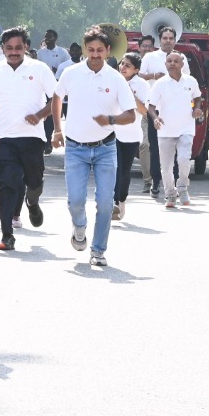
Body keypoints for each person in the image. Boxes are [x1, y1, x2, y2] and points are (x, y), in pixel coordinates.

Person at [53, 29, 136, 268]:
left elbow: (130, 115)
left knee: (106, 203)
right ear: (84, 49)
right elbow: (57, 98)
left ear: (108, 51)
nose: (95, 55)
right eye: (91, 50)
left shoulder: (116, 79)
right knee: (75, 201)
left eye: (100, 50)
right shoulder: (71, 73)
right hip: (75, 147)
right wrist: (57, 129)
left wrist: (110, 120)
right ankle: (79, 227)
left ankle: (98, 250)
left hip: (105, 148)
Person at [0, 27, 57, 251]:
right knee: (7, 185)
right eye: (9, 48)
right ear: (3, 49)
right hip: (5, 138)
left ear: (26, 47)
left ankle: (32, 203)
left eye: (18, 48)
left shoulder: (40, 69)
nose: (14, 52)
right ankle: (7, 235)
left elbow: (56, 99)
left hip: (33, 138)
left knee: (34, 183)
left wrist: (40, 115)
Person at [148, 50, 204, 208]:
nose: (172, 63)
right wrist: (155, 118)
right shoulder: (160, 84)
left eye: (175, 61)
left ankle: (183, 188)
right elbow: (151, 106)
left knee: (184, 160)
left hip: (186, 128)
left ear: (182, 64)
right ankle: (170, 195)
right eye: (169, 61)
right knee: (166, 167)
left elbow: (197, 97)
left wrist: (196, 109)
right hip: (165, 130)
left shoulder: (191, 81)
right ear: (165, 64)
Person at [137, 28, 177, 196]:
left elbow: (187, 79)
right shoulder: (150, 57)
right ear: (159, 40)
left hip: (173, 110)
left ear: (175, 40)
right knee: (154, 147)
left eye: (171, 38)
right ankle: (155, 181)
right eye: (165, 38)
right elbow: (137, 75)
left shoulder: (179, 58)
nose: (168, 40)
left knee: (172, 148)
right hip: (153, 109)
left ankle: (172, 184)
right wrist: (154, 76)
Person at [111, 53, 151, 221]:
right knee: (112, 168)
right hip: (111, 131)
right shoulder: (112, 79)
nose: (123, 68)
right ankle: (112, 202)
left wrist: (128, 92)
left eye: (128, 65)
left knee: (123, 169)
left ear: (136, 69)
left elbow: (144, 110)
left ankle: (121, 200)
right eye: (122, 64)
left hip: (131, 133)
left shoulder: (141, 85)